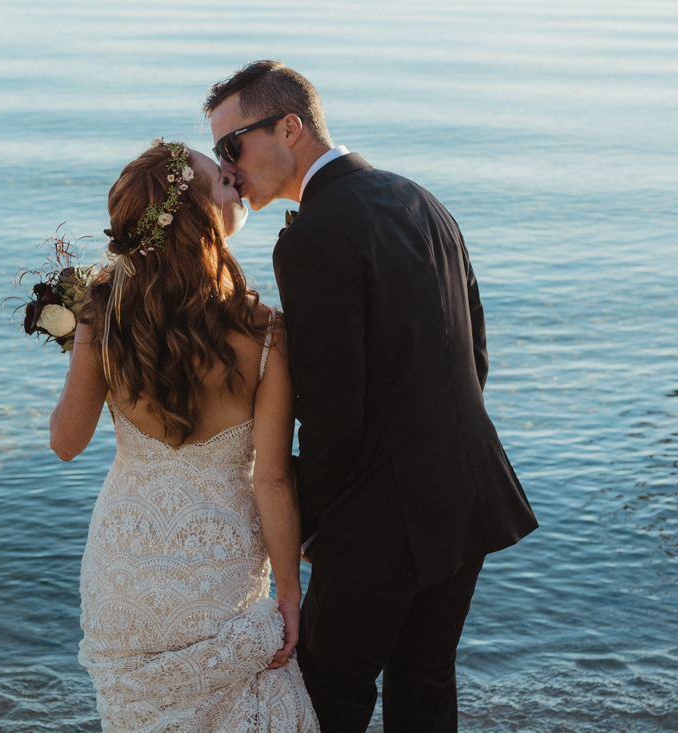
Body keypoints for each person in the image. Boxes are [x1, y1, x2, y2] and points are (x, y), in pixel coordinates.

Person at [205, 61, 539, 733]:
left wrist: (312, 524)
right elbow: (473, 354)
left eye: (230, 145)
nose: (229, 168)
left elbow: (331, 410)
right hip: (465, 491)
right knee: (426, 678)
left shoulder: (311, 239)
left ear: (289, 127)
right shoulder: (422, 199)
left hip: (380, 517)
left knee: (328, 691)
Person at [49, 140, 319, 732]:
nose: (236, 182)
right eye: (225, 183)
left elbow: (66, 442)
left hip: (123, 579)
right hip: (218, 578)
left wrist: (79, 336)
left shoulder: (104, 312)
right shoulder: (266, 332)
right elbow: (272, 480)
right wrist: (290, 598)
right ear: (202, 220)